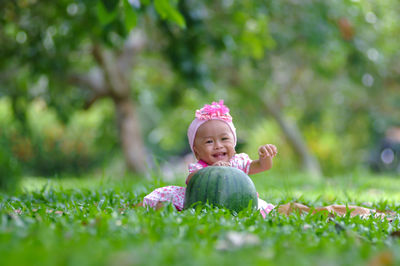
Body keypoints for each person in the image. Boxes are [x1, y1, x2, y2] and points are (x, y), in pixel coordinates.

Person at [142, 100, 277, 217]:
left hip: (237, 199)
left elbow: (262, 166)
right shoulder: (201, 167)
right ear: (197, 152)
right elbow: (191, 180)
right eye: (209, 142)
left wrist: (265, 157)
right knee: (174, 200)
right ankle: (158, 207)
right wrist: (212, 171)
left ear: (234, 143)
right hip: (206, 202)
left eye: (224, 139)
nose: (218, 146)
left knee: (260, 208)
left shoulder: (238, 162)